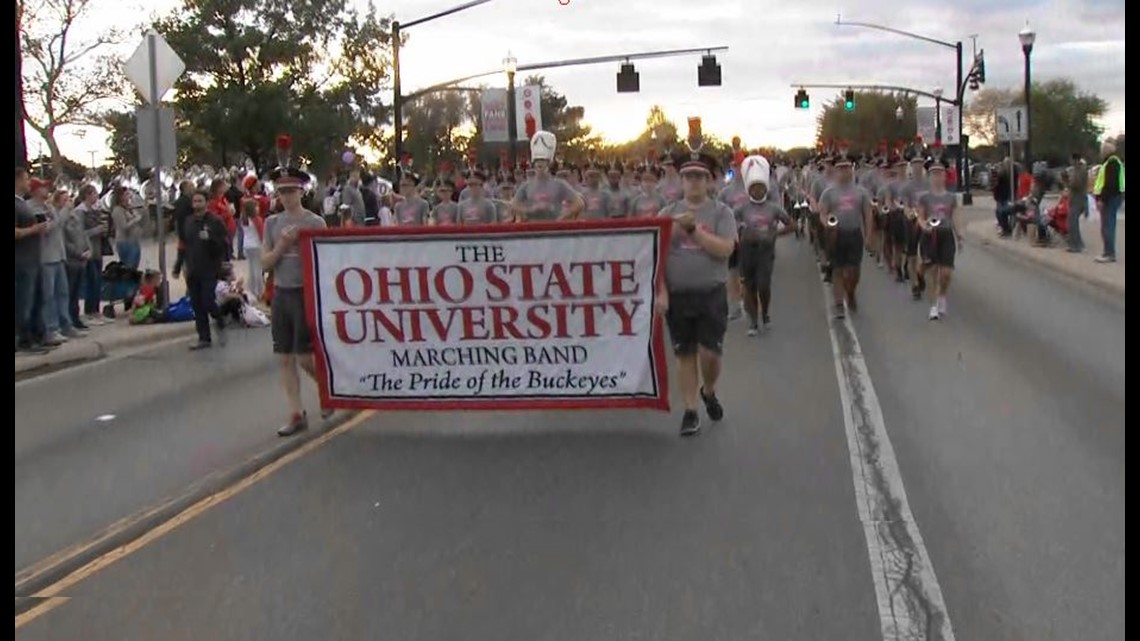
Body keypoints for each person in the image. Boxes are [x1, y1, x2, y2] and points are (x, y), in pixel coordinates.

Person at [657, 149, 738, 437]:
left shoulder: (721, 212)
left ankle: (709, 389)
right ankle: (690, 410)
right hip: (679, 295)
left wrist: (695, 232)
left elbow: (726, 249)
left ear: (709, 181)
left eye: (699, 176)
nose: (693, 181)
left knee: (710, 354)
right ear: (680, 180)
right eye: (688, 176)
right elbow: (656, 259)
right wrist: (661, 291)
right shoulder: (666, 214)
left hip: (711, 294)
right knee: (684, 353)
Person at [262, 166, 330, 437]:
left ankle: (327, 389)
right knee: (284, 357)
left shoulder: (315, 222)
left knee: (304, 357)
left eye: (291, 191)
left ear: (301, 191)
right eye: (282, 192)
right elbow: (265, 262)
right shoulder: (272, 223)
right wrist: (282, 245)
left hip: (306, 292)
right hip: (281, 292)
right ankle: (296, 412)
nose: (286, 196)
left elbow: (325, 260)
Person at [734, 155, 793, 335]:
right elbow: (730, 225)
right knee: (749, 287)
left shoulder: (773, 208)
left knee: (763, 285)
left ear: (766, 188)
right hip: (746, 252)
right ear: (748, 189)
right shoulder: (742, 209)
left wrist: (773, 234)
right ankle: (753, 322)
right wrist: (741, 233)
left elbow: (792, 224)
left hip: (765, 252)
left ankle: (765, 313)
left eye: (760, 187)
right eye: (753, 188)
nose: (757, 191)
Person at [818, 153, 874, 319]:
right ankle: (838, 304)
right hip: (837, 234)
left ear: (852, 169)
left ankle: (850, 293)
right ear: (836, 170)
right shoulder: (829, 192)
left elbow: (868, 214)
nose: (844, 171)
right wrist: (827, 223)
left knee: (853, 271)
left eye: (847, 167)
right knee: (837, 270)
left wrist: (869, 235)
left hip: (855, 234)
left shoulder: (861, 192)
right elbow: (822, 213)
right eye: (841, 168)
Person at [916, 159, 962, 320]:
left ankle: (942, 295)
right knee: (933, 272)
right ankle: (933, 306)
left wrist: (960, 236)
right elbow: (920, 217)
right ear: (929, 177)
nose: (937, 177)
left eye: (940, 173)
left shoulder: (951, 197)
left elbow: (955, 217)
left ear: (944, 176)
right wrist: (924, 226)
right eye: (934, 174)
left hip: (946, 234)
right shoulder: (924, 197)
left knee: (946, 273)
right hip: (930, 236)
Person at [182, 190, 229, 350]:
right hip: (193, 268)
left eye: (200, 201)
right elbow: (184, 245)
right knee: (196, 304)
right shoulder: (189, 221)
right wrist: (180, 265)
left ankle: (219, 316)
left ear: (206, 203)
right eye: (194, 201)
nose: (197, 204)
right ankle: (204, 337)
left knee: (207, 299)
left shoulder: (215, 221)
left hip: (210, 268)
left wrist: (210, 239)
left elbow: (224, 244)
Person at [509, 131, 584, 222]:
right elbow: (513, 205)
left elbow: (579, 204)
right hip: (533, 228)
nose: (539, 164)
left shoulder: (559, 184)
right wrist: (529, 211)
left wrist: (562, 218)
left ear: (549, 164)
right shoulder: (527, 185)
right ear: (534, 164)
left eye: (543, 161)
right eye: (537, 161)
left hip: (553, 229)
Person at [1093, 140, 1125, 263]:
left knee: (1107, 225)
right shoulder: (1113, 162)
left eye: (1102, 150)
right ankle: (1107, 252)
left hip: (1110, 198)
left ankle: (1109, 253)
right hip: (1114, 197)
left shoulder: (1112, 163)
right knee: (1107, 225)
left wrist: (1102, 199)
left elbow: (1110, 184)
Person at [1066, 152, 1089, 253]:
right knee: (1072, 222)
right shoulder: (1079, 169)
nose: (1070, 162)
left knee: (1072, 222)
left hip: (1077, 199)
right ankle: (1078, 243)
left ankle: (1076, 245)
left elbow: (1077, 184)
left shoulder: (1080, 170)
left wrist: (1067, 181)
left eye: (1071, 159)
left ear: (1075, 160)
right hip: (1077, 199)